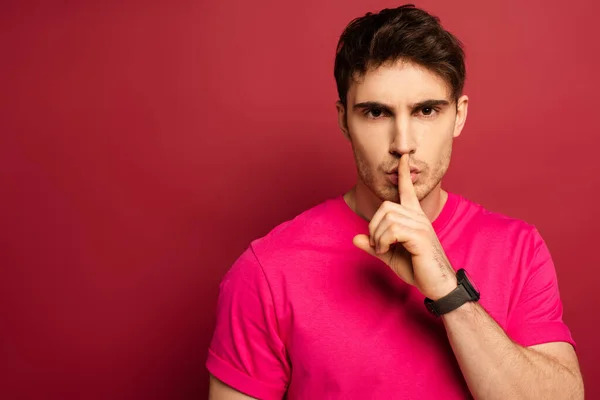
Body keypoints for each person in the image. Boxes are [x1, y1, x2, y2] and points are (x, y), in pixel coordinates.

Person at [206, 4, 584, 399]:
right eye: (375, 112)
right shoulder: (266, 271)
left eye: (426, 110)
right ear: (343, 120)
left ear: (458, 115)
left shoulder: (519, 249)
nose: (402, 143)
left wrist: (448, 291)